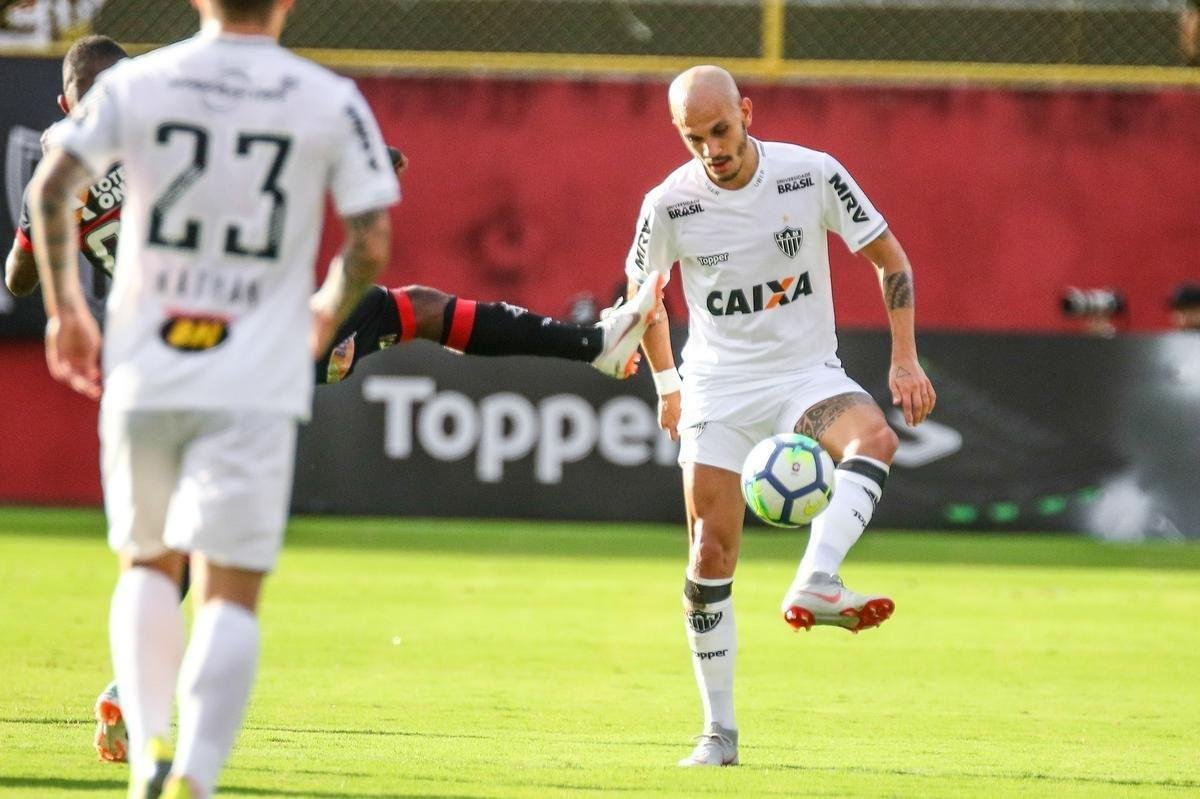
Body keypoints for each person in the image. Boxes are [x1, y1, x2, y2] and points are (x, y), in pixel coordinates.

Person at [12, 33, 661, 770]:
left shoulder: (74, 152)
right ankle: (595, 344)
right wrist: (359, 174)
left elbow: (19, 273)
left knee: (160, 548)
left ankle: (135, 699)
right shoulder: (166, 116)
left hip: (155, 360)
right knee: (228, 555)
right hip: (252, 337)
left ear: (65, 101)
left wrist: (56, 271)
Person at [27, 0, 404, 795]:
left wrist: (66, 311)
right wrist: (325, 312)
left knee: (146, 567)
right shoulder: (325, 96)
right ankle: (195, 775)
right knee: (229, 591)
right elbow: (370, 239)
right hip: (253, 370)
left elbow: (50, 189)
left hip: (149, 359)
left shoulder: (137, 87)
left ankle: (147, 758)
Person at [624, 65, 936, 767]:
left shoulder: (810, 174)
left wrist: (905, 359)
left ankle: (817, 578)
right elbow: (645, 298)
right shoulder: (668, 205)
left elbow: (889, 258)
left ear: (747, 111)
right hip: (719, 388)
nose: (712, 149)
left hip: (804, 376)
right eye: (694, 138)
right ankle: (718, 732)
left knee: (875, 437)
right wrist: (669, 385)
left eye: (721, 130)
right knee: (709, 554)